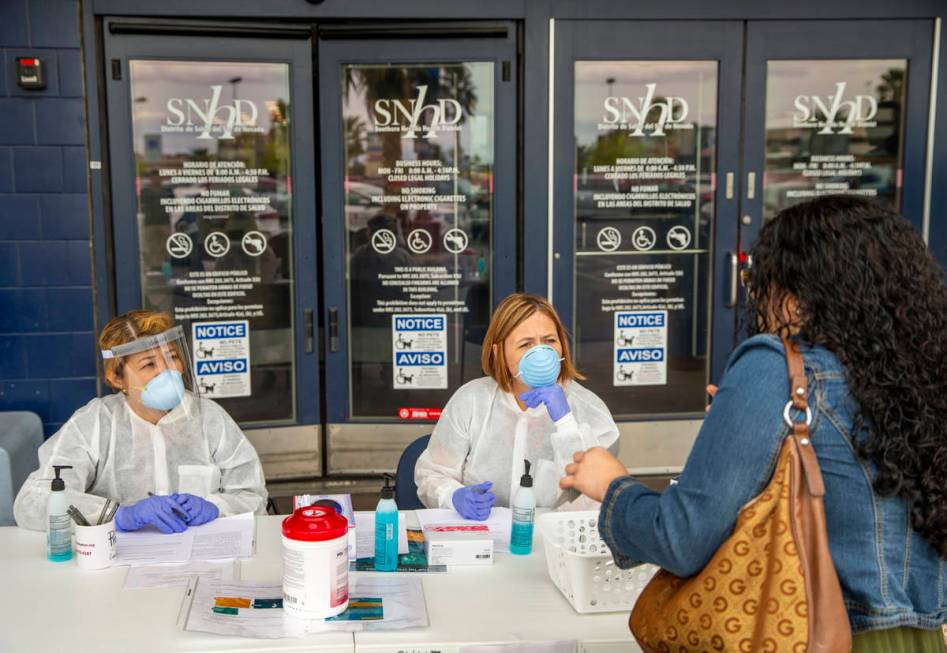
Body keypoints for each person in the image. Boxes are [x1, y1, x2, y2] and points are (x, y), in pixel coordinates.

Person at [561, 196, 947, 650]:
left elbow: (680, 538)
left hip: (813, 634)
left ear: (798, 290)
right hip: (918, 638)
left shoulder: (776, 369)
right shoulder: (923, 375)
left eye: (759, 279)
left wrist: (613, 484)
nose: (757, 295)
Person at [14, 310, 268, 534]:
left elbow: (253, 496)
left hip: (202, 559)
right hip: (114, 564)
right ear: (116, 378)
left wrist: (217, 507)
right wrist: (118, 515)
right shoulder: (95, 423)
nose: (167, 371)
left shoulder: (209, 418)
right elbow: (33, 502)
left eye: (172, 357)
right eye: (149, 364)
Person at [415, 293, 619, 519]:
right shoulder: (471, 401)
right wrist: (453, 496)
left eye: (550, 341)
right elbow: (432, 473)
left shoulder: (588, 407)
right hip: (483, 534)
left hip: (552, 540)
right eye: (526, 344)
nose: (541, 353)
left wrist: (566, 422)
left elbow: (599, 496)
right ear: (498, 352)